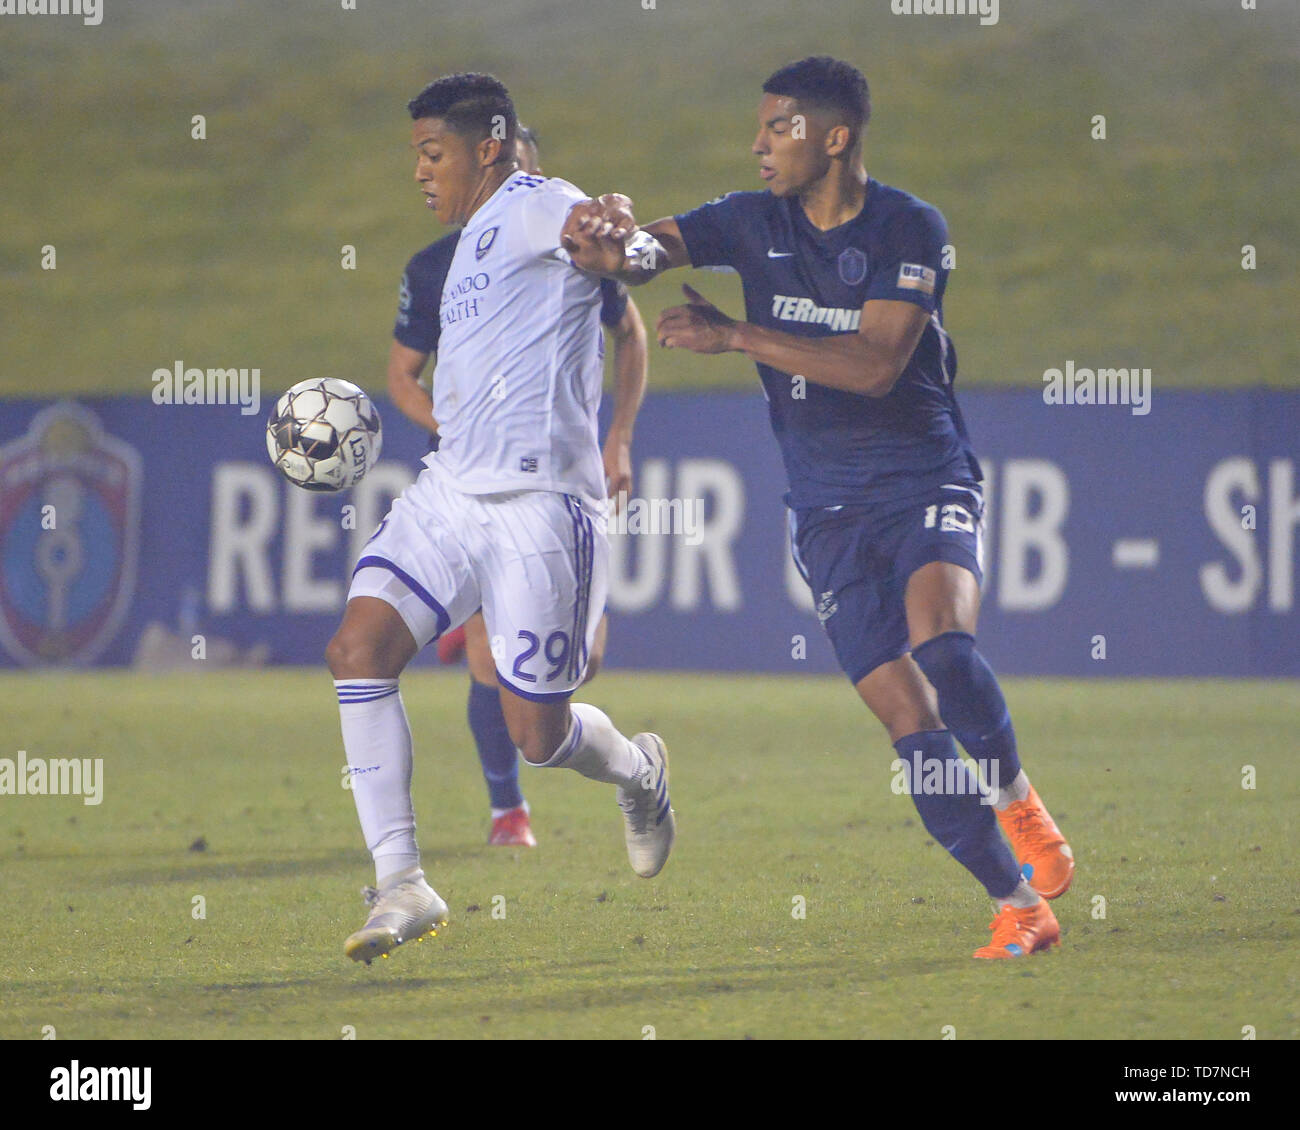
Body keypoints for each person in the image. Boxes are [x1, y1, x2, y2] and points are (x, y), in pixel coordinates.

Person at [563, 56, 1072, 960]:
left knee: (946, 647)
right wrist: (615, 245)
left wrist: (736, 336)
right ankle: (1017, 904)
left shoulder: (908, 227)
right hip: (826, 513)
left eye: (779, 129)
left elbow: (877, 368)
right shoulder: (751, 220)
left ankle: (1014, 793)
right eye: (759, 129)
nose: (758, 145)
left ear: (835, 138)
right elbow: (656, 249)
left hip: (922, 475)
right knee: (905, 720)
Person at [329, 73, 673, 965]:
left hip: (540, 507)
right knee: (359, 651)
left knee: (539, 733)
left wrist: (607, 237)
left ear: (487, 149)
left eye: (430, 152)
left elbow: (588, 234)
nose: (419, 172)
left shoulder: (529, 201)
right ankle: (402, 879)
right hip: (451, 491)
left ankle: (638, 772)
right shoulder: (465, 245)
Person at [388, 124, 649, 848]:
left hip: (554, 480)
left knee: (573, 670)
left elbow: (631, 332)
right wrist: (459, 423)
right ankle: (509, 813)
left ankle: (617, 764)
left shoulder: (567, 249)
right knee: (481, 661)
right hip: (472, 485)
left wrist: (619, 435)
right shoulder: (436, 266)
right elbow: (401, 376)